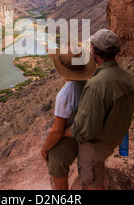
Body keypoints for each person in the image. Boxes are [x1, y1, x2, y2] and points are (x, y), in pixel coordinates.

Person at [64, 29, 134, 190]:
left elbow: (84, 131)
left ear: (94, 51)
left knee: (93, 181)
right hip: (116, 138)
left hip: (97, 148)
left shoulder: (96, 85)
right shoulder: (127, 78)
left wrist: (61, 132)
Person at [41, 44, 97, 190]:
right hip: (88, 135)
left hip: (76, 136)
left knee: (55, 157)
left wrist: (45, 150)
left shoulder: (65, 94)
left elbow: (57, 131)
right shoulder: (88, 85)